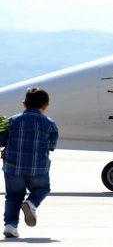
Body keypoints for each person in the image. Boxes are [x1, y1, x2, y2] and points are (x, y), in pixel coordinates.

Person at [0, 87, 59, 238]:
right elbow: (52, 146)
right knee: (42, 189)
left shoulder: (11, 121)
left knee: (13, 196)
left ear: (24, 103)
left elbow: (2, 141)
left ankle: (10, 226)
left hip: (13, 166)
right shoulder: (50, 124)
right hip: (38, 168)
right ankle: (31, 204)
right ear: (45, 106)